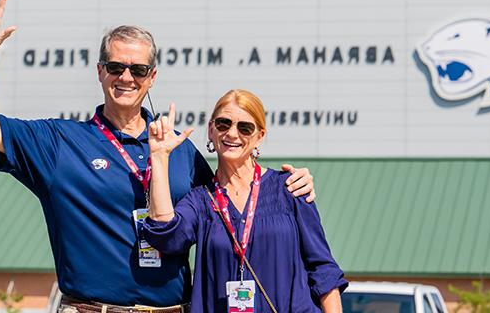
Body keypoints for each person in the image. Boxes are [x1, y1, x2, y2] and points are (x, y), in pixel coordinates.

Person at [0, 0, 317, 312]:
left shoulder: (177, 150)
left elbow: (231, 208)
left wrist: (289, 185)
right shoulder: (60, 142)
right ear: (100, 72)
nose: (126, 77)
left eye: (138, 69)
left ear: (152, 77)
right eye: (116, 67)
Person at [145, 89, 347, 313]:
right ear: (211, 130)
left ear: (259, 136)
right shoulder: (201, 201)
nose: (232, 134)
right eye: (223, 124)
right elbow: (165, 236)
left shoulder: (290, 189)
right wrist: (160, 157)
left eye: (245, 128)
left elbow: (323, 270)